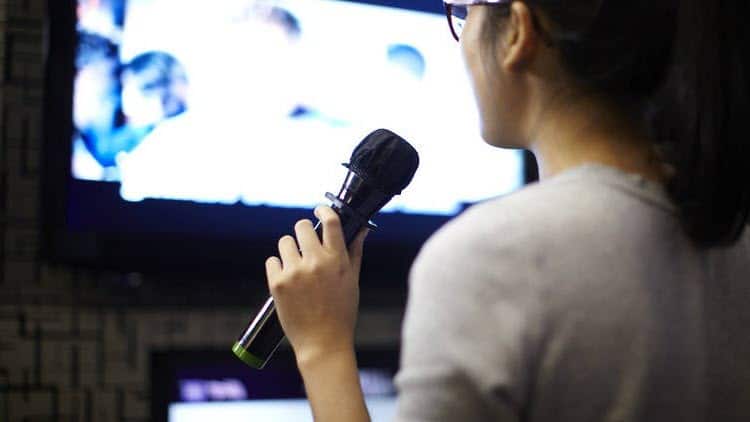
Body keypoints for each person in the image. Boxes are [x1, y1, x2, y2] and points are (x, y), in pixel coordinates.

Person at [262, 0, 750, 421]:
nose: (461, 39)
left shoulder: (491, 255)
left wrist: (322, 347)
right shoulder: (734, 234)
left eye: (463, 13)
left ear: (517, 30)